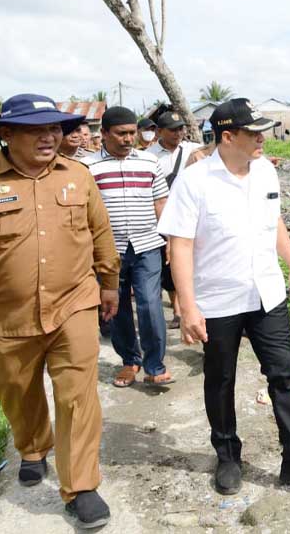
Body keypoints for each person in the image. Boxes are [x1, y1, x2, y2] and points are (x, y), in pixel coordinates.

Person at [0, 93, 120, 529]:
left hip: (74, 303)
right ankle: (34, 446)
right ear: (7, 135)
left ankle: (80, 486)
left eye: (55, 128)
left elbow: (101, 232)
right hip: (6, 314)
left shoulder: (77, 177)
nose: (50, 136)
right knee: (16, 389)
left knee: (78, 395)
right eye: (37, 130)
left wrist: (110, 282)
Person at [158, 98, 290, 496]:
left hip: (266, 292)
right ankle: (228, 455)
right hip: (218, 298)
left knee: (283, 374)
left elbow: (275, 221)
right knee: (220, 379)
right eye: (253, 133)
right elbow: (179, 246)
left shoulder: (266, 172)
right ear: (228, 136)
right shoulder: (195, 181)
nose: (262, 140)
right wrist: (187, 306)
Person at [82, 107, 172, 387]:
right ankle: (130, 361)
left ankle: (155, 365)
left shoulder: (149, 162)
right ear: (105, 134)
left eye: (132, 133)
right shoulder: (88, 167)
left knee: (150, 304)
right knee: (115, 307)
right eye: (121, 133)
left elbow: (161, 204)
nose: (128, 138)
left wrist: (169, 239)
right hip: (109, 252)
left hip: (147, 245)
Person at [147, 112, 202, 325]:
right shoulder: (150, 156)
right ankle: (178, 310)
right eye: (172, 129)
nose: (178, 133)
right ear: (159, 132)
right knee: (169, 265)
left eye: (181, 128)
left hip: (191, 215)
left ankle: (190, 305)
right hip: (162, 218)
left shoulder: (193, 150)